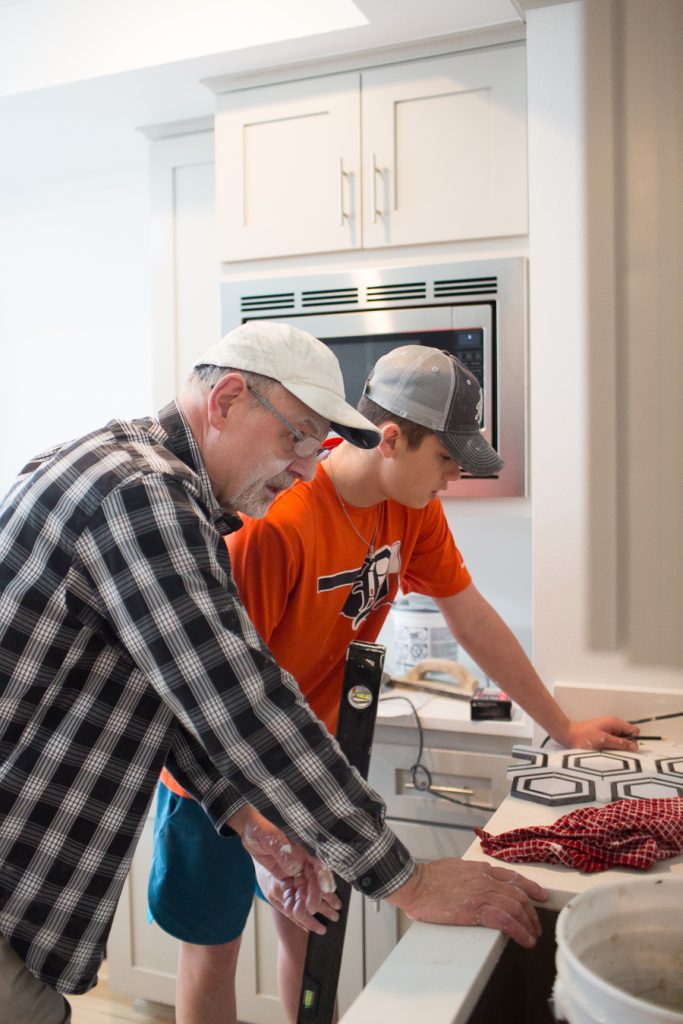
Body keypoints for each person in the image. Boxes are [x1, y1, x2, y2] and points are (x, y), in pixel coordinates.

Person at [0, 323, 548, 1024]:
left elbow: (168, 700)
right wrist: (402, 878)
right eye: (295, 438)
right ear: (227, 399)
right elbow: (239, 701)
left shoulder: (149, 484)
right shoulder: (142, 495)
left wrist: (246, 819)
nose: (303, 466)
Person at [150, 343, 639, 1024]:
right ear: (389, 438)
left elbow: (471, 615)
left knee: (308, 931)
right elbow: (215, 696)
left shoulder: (409, 511)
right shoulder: (277, 522)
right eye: (444, 458)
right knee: (213, 951)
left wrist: (562, 727)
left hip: (307, 762)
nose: (451, 477)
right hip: (214, 777)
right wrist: (257, 830)